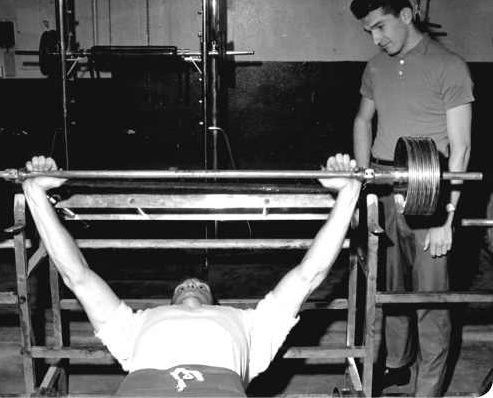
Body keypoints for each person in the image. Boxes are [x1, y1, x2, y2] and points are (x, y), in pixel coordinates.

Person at [22, 153, 361, 397]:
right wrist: (35, 193)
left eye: (200, 284)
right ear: (168, 300)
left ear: (216, 301)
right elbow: (76, 274)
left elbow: (308, 275)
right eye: (186, 284)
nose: (193, 284)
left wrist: (348, 194)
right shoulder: (134, 323)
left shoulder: (250, 323)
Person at [350, 0, 473, 397]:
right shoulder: (375, 67)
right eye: (369, 30)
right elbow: (362, 121)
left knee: (432, 301)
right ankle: (398, 365)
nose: (376, 37)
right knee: (389, 290)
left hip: (430, 191)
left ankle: (429, 387)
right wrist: (362, 183)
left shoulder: (449, 65)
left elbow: (461, 149)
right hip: (384, 187)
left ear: (406, 15)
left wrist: (448, 219)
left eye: (381, 26)